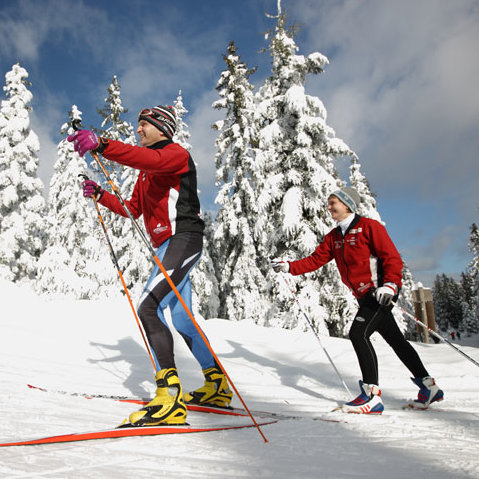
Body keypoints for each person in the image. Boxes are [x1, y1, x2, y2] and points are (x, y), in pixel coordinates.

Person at [68, 105, 232, 426]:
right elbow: (132, 209)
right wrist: (101, 195)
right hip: (168, 247)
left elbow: (149, 159)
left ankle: (169, 397)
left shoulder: (174, 154)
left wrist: (102, 145)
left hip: (183, 239)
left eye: (144, 125)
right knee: (183, 320)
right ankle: (216, 385)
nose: (138, 130)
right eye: (138, 125)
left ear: (162, 127)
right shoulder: (147, 172)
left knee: (148, 308)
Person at [271, 187, 444, 414]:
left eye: (333, 202)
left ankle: (371, 396)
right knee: (397, 341)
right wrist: (290, 267)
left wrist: (390, 284)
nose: (329, 207)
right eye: (329, 203)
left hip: (379, 293)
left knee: (358, 334)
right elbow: (316, 259)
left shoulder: (369, 227)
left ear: (347, 204)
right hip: (364, 297)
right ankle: (428, 386)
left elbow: (391, 257)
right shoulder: (334, 237)